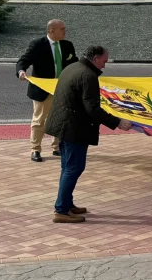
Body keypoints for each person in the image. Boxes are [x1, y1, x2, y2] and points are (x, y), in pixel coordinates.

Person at [44, 46, 132, 223]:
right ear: (95, 58)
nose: (104, 66)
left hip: (64, 125)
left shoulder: (73, 67)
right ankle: (61, 210)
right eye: (104, 61)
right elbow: (92, 108)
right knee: (73, 168)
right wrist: (117, 122)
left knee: (68, 167)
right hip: (74, 128)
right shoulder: (88, 76)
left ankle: (66, 204)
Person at [15, 19, 78, 162]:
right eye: (61, 29)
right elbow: (24, 60)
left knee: (60, 119)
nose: (64, 31)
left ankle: (57, 147)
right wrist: (21, 71)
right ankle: (35, 149)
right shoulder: (38, 44)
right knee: (39, 121)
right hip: (42, 90)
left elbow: (74, 62)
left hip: (62, 89)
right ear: (51, 31)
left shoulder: (67, 45)